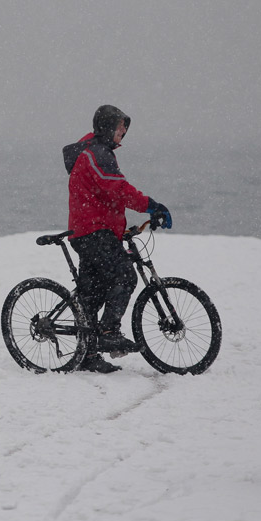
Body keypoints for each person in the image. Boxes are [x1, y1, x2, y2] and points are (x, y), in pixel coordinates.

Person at [63, 105, 172, 373]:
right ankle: (109, 331)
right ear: (107, 127)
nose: (124, 131)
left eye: (125, 127)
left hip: (92, 230)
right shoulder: (96, 153)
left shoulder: (95, 150)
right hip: (93, 232)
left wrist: (119, 228)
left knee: (93, 292)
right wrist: (151, 205)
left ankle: (86, 354)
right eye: (120, 126)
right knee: (125, 275)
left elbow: (103, 196)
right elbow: (117, 189)